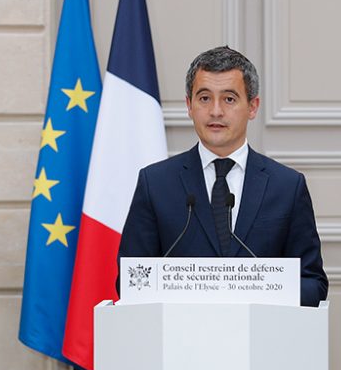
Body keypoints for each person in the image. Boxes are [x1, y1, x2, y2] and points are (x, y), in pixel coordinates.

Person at [118, 46, 328, 305]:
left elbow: (312, 284)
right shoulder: (156, 184)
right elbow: (130, 282)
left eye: (229, 99)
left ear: (252, 107)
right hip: (180, 340)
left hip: (263, 339)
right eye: (204, 98)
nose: (215, 111)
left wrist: (255, 290)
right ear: (189, 106)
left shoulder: (287, 187)